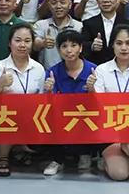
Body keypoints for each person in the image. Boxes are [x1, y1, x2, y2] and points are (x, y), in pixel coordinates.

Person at [87, 24, 129, 181]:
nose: (124, 48)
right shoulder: (101, 70)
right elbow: (98, 105)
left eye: (128, 43)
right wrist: (91, 90)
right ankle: (112, 159)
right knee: (120, 175)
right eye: (119, 43)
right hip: (109, 128)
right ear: (112, 45)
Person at [0, 24, 45, 177]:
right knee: (7, 115)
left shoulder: (38, 68)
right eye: (18, 40)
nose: (22, 45)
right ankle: (3, 156)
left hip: (32, 115)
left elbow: (42, 98)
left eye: (27, 41)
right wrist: (0, 84)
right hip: (6, 115)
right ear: (9, 43)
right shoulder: (0, 67)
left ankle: (21, 148)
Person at [41, 30, 98, 176]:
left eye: (73, 45)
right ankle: (57, 159)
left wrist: (92, 89)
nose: (69, 50)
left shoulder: (94, 70)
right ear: (59, 50)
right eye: (64, 46)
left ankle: (86, 153)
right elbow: (49, 104)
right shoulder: (53, 72)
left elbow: (100, 102)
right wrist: (48, 91)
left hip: (86, 116)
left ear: (81, 48)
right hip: (63, 116)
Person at [80, 0, 129, 65]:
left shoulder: (127, 25)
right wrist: (92, 46)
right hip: (96, 68)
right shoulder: (88, 23)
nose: (106, 0)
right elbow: (82, 46)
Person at [32, 0, 83, 69]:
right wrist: (43, 43)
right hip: (48, 73)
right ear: (49, 5)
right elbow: (34, 45)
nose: (58, 6)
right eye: (54, 3)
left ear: (70, 5)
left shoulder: (79, 26)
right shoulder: (40, 25)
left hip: (73, 72)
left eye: (62, 2)